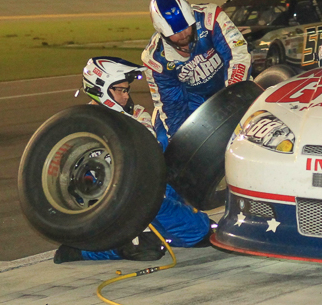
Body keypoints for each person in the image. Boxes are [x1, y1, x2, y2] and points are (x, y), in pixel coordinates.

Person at [54, 57, 212, 263]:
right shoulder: (77, 127)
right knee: (149, 249)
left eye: (127, 90)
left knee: (202, 233)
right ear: (101, 87)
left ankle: (159, 228)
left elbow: (149, 152)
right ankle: (83, 251)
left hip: (146, 192)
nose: (125, 96)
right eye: (119, 90)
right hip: (108, 205)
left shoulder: (137, 113)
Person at [142, 0, 250, 148]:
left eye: (186, 27)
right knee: (167, 143)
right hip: (192, 103)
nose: (183, 34)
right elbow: (172, 105)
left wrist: (232, 96)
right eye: (175, 32)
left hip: (229, 89)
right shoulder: (155, 60)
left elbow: (238, 54)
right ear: (162, 32)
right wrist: (181, 141)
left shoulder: (211, 17)